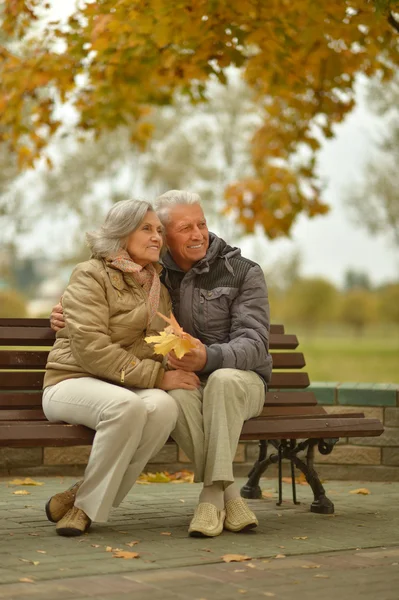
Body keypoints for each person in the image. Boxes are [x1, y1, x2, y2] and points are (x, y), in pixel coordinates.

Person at [51, 190, 272, 538]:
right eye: (184, 228)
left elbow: (254, 342)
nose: (198, 234)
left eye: (202, 224)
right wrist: (65, 313)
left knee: (202, 389)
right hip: (106, 379)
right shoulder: (149, 276)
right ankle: (227, 494)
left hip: (230, 379)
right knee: (158, 402)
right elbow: (103, 334)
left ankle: (211, 494)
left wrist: (207, 358)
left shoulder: (226, 273)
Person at [43, 199, 199, 537]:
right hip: (71, 381)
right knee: (126, 406)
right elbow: (91, 348)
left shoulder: (156, 285)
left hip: (121, 385)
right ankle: (84, 509)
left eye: (159, 230)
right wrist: (158, 376)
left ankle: (79, 494)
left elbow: (159, 345)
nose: (157, 236)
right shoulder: (90, 274)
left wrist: (184, 354)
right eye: (147, 228)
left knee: (162, 407)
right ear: (121, 233)